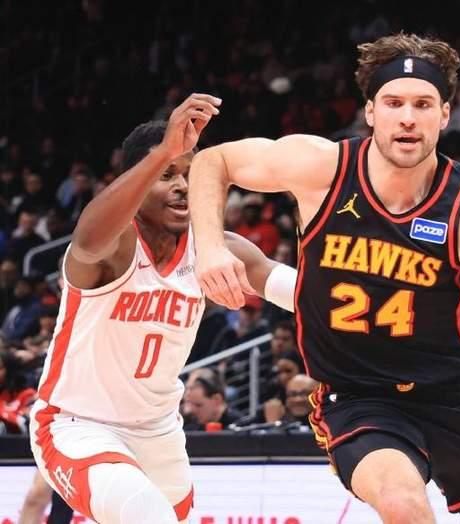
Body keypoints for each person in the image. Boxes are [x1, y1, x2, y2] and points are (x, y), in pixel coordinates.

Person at [188, 33, 460, 524]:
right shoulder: (322, 169)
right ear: (370, 112)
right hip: (361, 397)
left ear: (445, 114)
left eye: (422, 104)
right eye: (393, 102)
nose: (407, 117)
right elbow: (214, 161)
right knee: (403, 505)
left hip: (458, 398)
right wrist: (209, 246)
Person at [29, 94, 296, 524]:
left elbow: (295, 290)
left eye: (190, 174)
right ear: (136, 180)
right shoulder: (117, 246)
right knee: (146, 514)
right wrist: (163, 151)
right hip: (78, 424)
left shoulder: (213, 247)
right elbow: (87, 240)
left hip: (159, 432)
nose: (183, 185)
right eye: (167, 174)